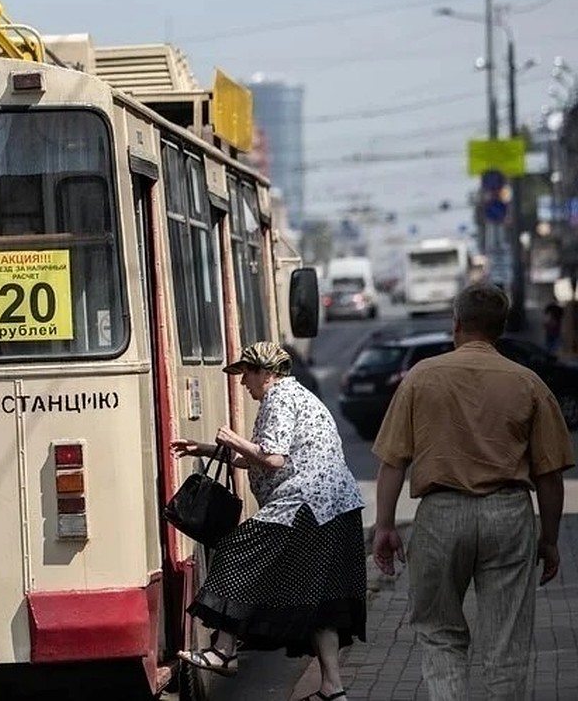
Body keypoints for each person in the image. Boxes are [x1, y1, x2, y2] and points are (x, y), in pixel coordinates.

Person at [371, 282, 573, 701]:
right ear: (500, 328)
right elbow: (550, 476)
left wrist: (386, 525)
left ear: (456, 323)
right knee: (507, 644)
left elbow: (393, 461)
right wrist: (550, 539)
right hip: (509, 515)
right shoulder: (528, 382)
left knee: (439, 633)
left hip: (441, 516)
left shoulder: (422, 377)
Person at [171, 341, 366, 701]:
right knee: (321, 598)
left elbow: (273, 459)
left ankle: (224, 650)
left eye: (247, 372)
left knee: (233, 553)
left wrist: (232, 439)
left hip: (306, 502)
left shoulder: (278, 398)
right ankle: (332, 690)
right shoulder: (297, 396)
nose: (244, 382)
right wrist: (204, 448)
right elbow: (260, 458)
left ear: (267, 372)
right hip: (338, 506)